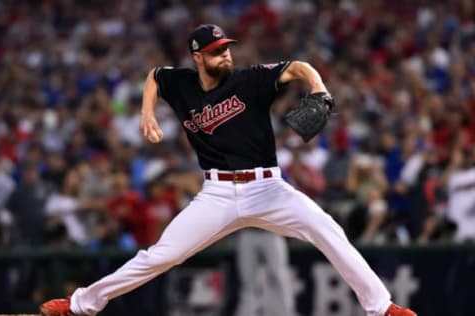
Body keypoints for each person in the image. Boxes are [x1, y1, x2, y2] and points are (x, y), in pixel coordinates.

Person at [40, 24, 416, 316]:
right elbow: (155, 75)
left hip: (268, 189)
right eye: (217, 52)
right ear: (198, 57)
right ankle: (80, 305)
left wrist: (318, 88)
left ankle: (381, 307)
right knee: (161, 256)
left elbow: (299, 67)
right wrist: (146, 111)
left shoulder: (250, 79)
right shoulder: (182, 83)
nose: (226, 55)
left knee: (328, 230)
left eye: (226, 49)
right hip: (216, 194)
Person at [236, 229, 294, 316]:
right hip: (247, 232)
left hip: (271, 231)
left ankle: (285, 313)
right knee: (248, 282)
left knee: (278, 276)